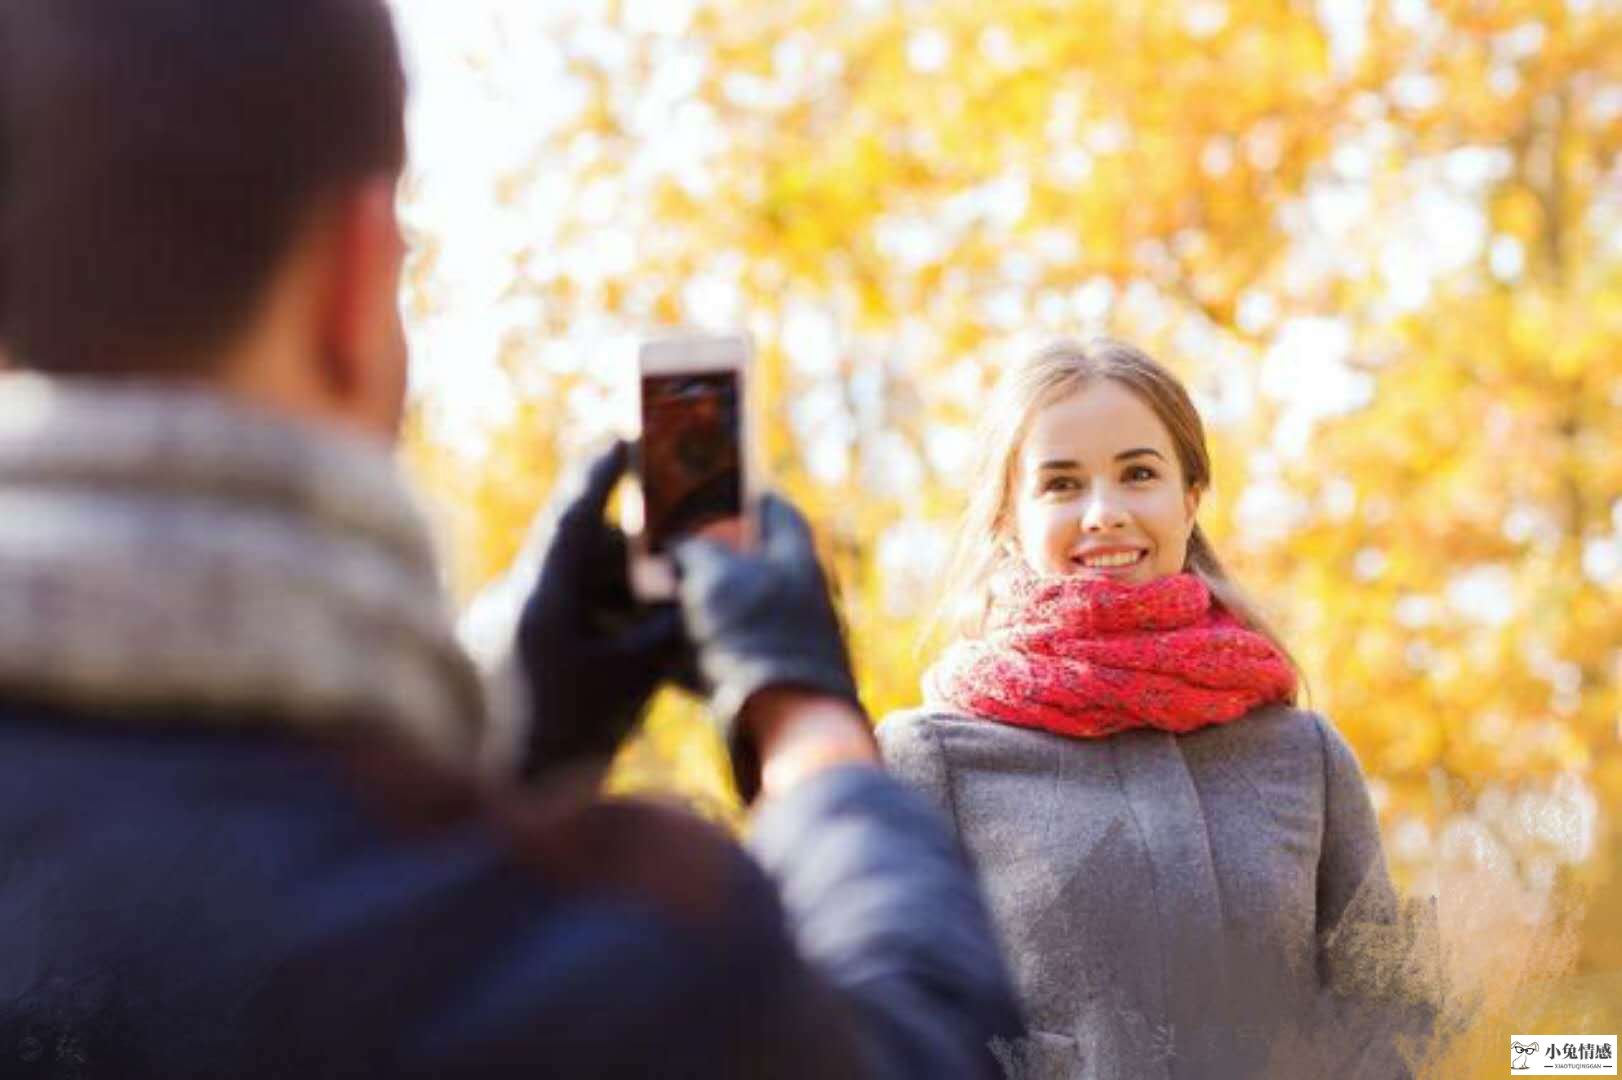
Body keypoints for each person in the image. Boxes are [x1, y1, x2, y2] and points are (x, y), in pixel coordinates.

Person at [0, 2, 1022, 1076]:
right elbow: (909, 1044)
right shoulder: (619, 970)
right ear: (354, 283)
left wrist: (505, 739)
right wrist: (802, 714)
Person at [878, 339, 1436, 1079]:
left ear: (1190, 498)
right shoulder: (930, 762)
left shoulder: (1305, 758)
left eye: (1139, 474)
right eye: (1062, 485)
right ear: (1008, 517)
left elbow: (1385, 1028)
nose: (1104, 513)